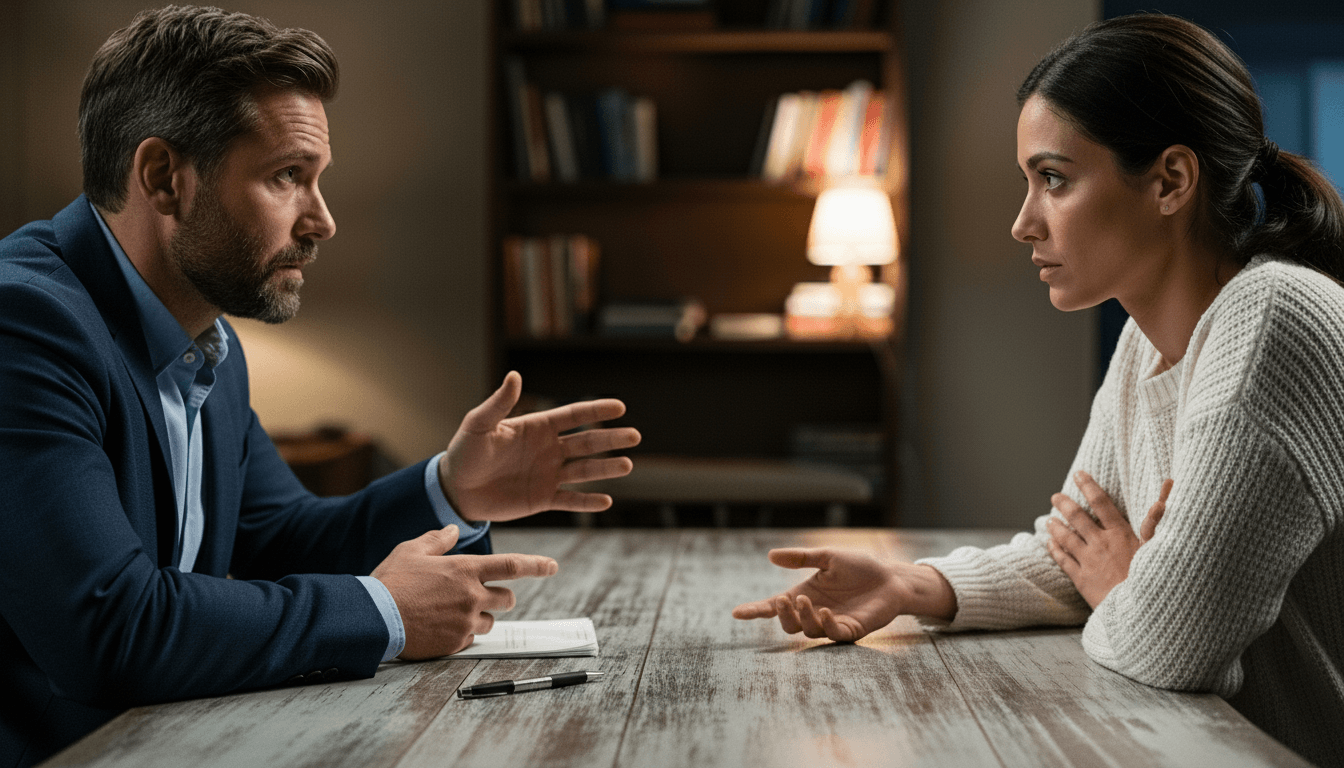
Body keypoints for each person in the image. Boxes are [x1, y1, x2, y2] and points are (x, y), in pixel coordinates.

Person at [0, 7, 640, 766]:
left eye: (317, 179)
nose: (323, 221)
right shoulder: (26, 324)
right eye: (286, 177)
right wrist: (384, 612)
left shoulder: (208, 342)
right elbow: (108, 629)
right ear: (164, 178)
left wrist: (451, 491)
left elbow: (284, 542)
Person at [733, 13, 1344, 766]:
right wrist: (908, 584)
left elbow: (1170, 645)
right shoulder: (1145, 343)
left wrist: (1130, 583)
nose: (1023, 223)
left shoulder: (1272, 319)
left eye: (1053, 179)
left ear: (1170, 181)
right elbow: (1075, 555)